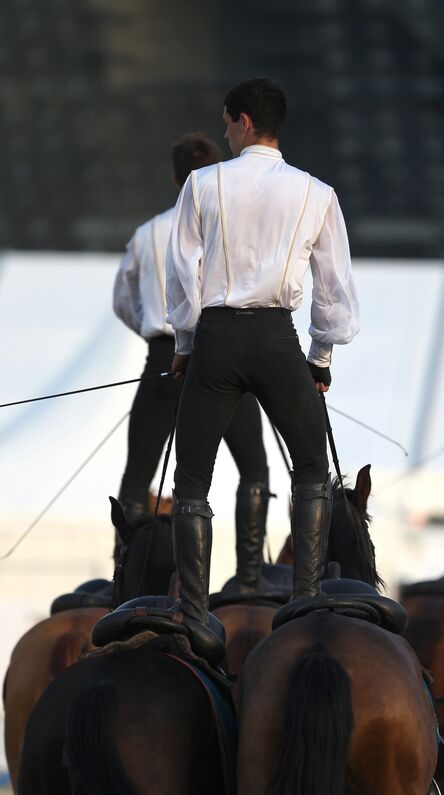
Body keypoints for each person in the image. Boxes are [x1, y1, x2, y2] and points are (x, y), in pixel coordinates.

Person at [165, 78, 359, 624]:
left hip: (218, 339)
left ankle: (197, 615)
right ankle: (303, 602)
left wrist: (184, 343)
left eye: (227, 122)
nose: (225, 133)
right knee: (312, 470)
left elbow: (182, 272)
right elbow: (335, 287)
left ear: (244, 121)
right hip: (278, 338)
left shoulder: (202, 184)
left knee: (191, 481)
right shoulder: (316, 192)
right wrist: (321, 357)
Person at [112, 133, 272, 592]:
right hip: (222, 356)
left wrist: (153, 330)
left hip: (163, 359)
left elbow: (123, 301)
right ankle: (249, 577)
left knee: (138, 472)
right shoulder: (230, 226)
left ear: (174, 176)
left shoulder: (147, 233)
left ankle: (127, 577)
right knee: (253, 468)